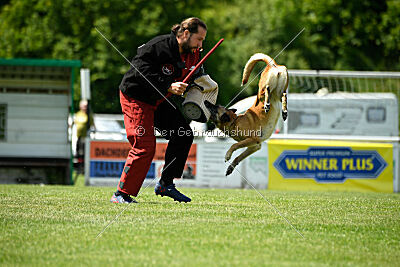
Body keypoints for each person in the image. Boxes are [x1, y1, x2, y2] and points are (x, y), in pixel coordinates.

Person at [110, 17, 207, 204]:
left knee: (183, 134)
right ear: (186, 34)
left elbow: (192, 73)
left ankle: (165, 184)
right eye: (199, 39)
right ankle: (121, 194)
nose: (200, 44)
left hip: (159, 100)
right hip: (136, 97)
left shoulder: (190, 53)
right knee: (144, 146)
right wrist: (169, 86)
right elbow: (139, 72)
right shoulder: (158, 45)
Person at [74, 99, 93, 175]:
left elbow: (92, 125)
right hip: (79, 137)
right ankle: (78, 169)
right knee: (79, 154)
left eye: (86, 106)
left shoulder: (89, 115)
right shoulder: (78, 114)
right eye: (84, 106)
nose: (85, 107)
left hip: (86, 138)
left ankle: (85, 170)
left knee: (85, 154)